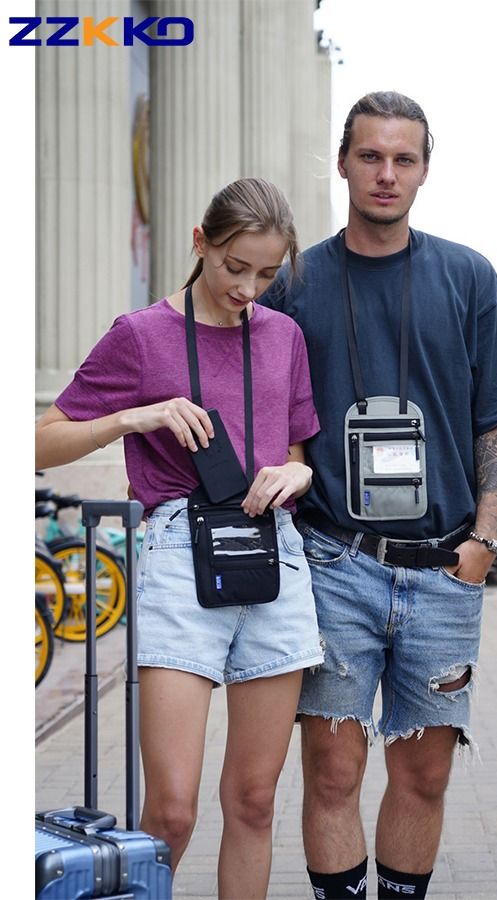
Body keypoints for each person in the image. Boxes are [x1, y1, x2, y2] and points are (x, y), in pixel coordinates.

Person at [260, 92, 497, 899]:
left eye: (403, 159)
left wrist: (483, 543)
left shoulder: (467, 276)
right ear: (343, 162)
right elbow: (254, 403)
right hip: (334, 564)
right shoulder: (295, 283)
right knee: (332, 772)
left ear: (424, 170)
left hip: (443, 569)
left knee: (423, 776)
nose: (386, 174)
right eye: (370, 156)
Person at [35, 177, 325, 899]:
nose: (248, 288)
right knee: (170, 811)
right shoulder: (139, 336)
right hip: (177, 558)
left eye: (267, 274)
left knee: (254, 802)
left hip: (274, 559)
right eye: (235, 266)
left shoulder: (284, 336)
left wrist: (298, 475)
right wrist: (136, 417)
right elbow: (40, 442)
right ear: (200, 242)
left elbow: (296, 452)